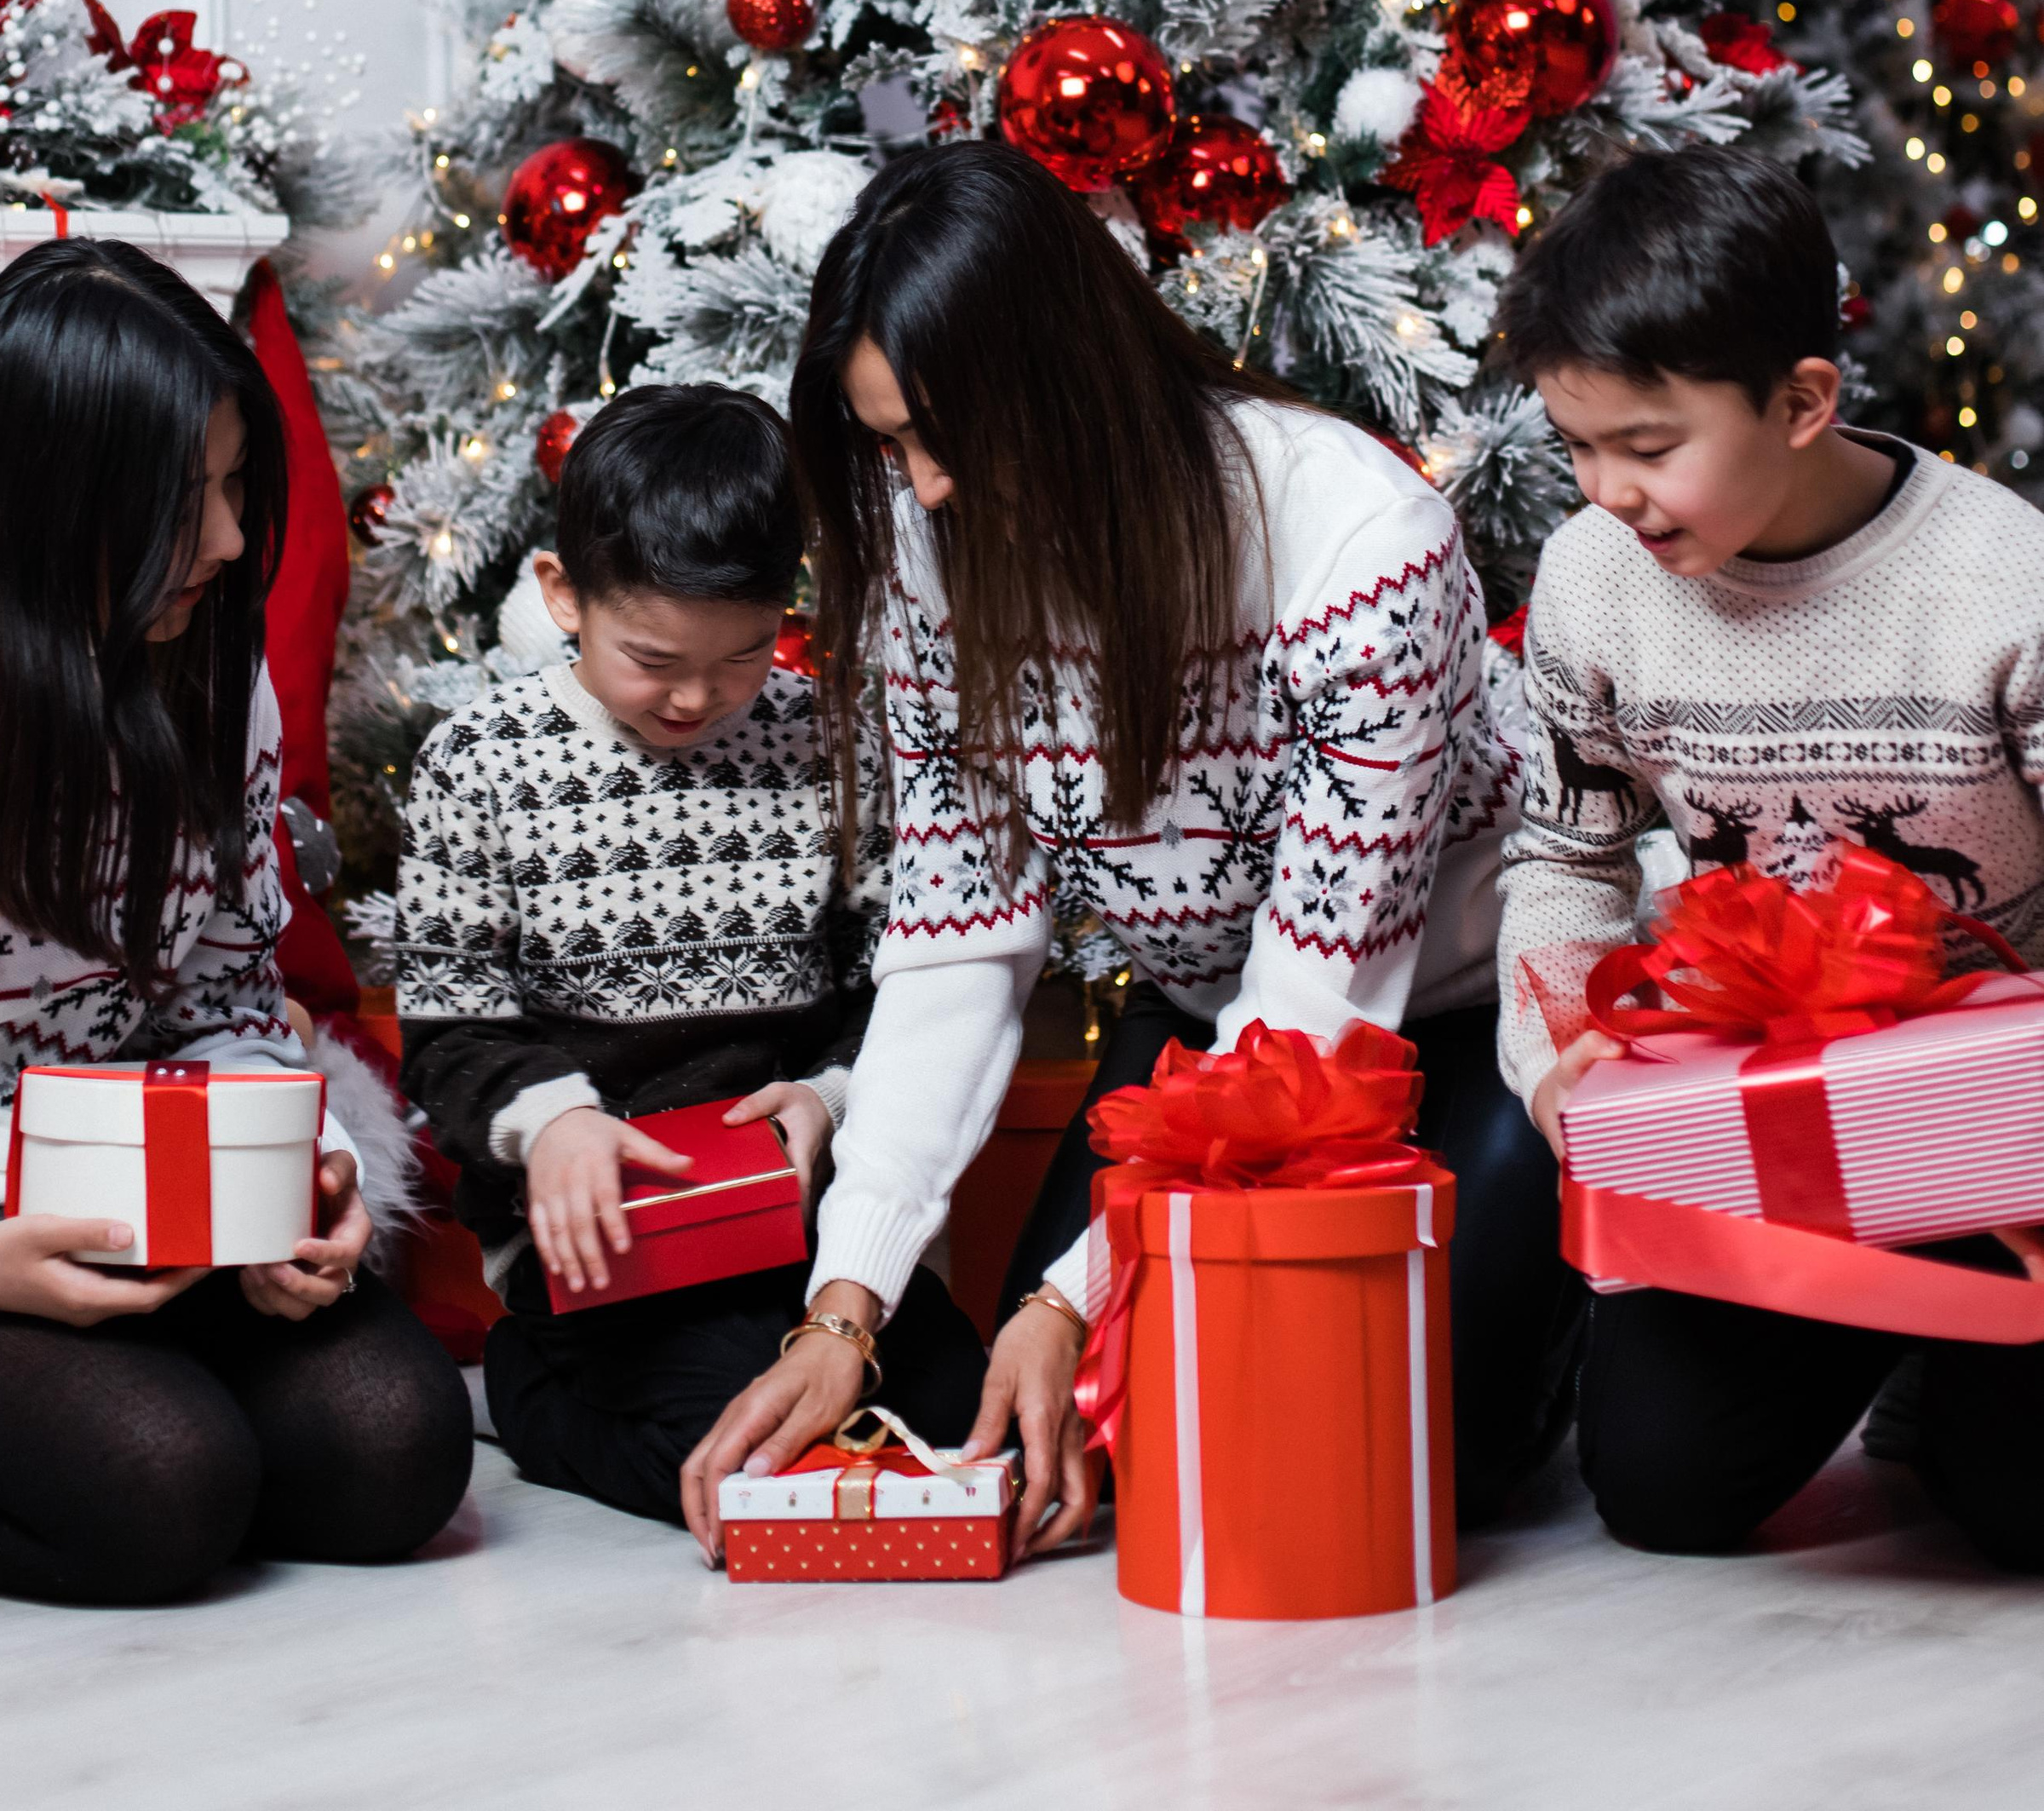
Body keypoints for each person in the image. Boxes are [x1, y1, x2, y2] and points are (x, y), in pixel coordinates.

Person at [680, 143, 1570, 1562]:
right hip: (1213, 1028)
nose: (927, 489)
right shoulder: (936, 540)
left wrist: (1072, 1296)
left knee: (1397, 1454)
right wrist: (843, 1306)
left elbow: (1322, 1005)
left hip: (1445, 1021)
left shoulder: (1355, 538)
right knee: (1066, 1435)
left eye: (948, 438)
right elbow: (957, 943)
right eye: (893, 445)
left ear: (1074, 385)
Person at [0, 239, 473, 1604]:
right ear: (36, 503)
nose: (230, 543)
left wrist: (301, 1175)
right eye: (178, 503)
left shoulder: (198, 667)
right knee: (160, 1485)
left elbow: (231, 1008)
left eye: (234, 486)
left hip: (131, 1211)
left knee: (396, 1450)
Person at [1491, 142, 2044, 1565]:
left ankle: (1947, 1378)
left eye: (1649, 448)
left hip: (2005, 1126)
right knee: (1661, 1493)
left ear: (1801, 403)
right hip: (1773, 1118)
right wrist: (1558, 1057)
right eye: (1577, 447)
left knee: (2015, 1507)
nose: (1608, 492)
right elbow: (1567, 858)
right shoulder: (1593, 581)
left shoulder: (2006, 585)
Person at [397, 382, 984, 1527]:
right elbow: (448, 1030)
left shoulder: (828, 741)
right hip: (601, 1245)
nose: (698, 697)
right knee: (745, 1446)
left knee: (953, 1418)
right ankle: (528, 1386)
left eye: (745, 655)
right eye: (653, 658)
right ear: (562, 595)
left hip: (794, 1226)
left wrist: (829, 1096)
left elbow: (893, 989)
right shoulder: (479, 763)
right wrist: (553, 1124)